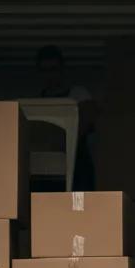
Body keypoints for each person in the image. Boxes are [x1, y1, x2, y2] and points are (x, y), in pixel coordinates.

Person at [35, 44, 95, 190]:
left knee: (78, 206)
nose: (49, 75)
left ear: (62, 70)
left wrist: (61, 140)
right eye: (45, 70)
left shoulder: (78, 95)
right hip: (48, 167)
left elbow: (87, 120)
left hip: (76, 166)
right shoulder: (37, 102)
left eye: (53, 69)